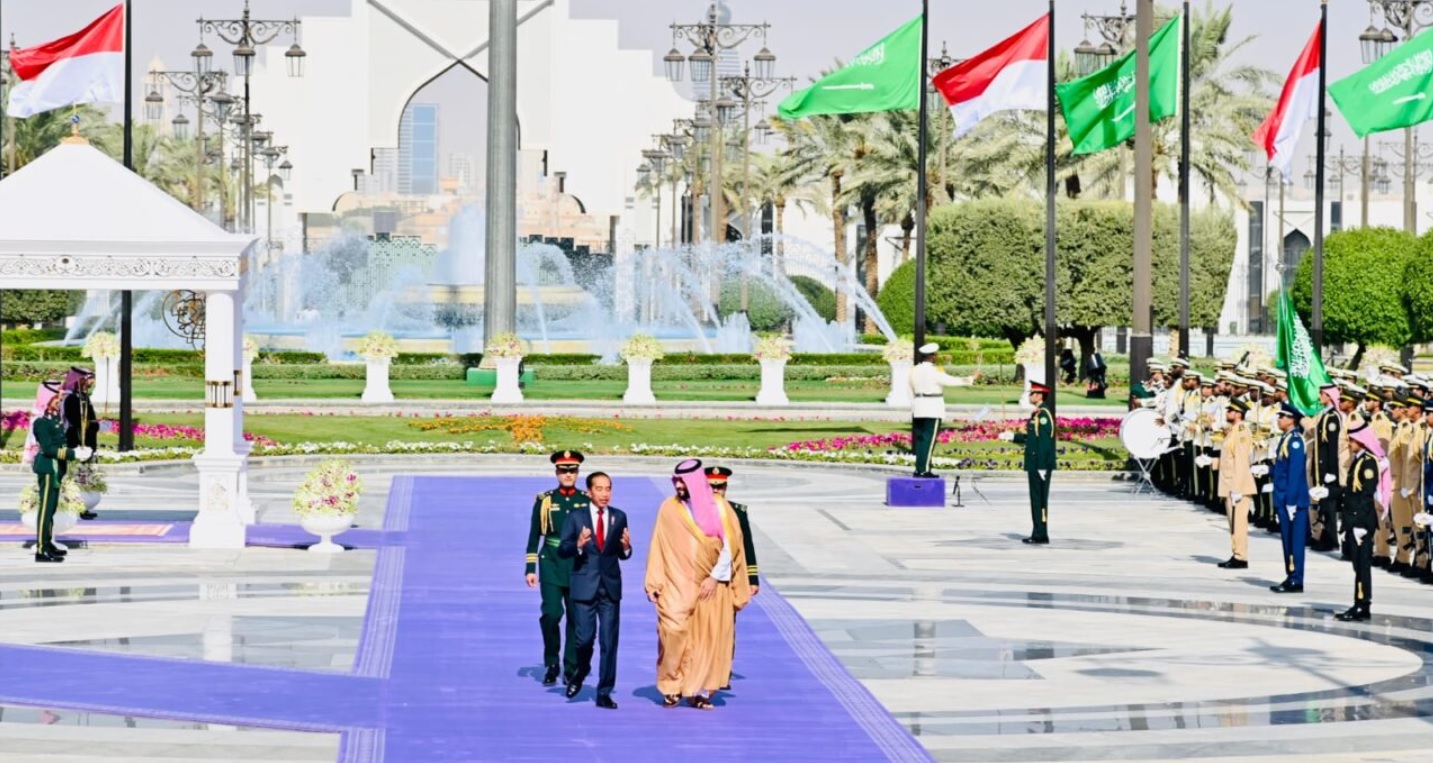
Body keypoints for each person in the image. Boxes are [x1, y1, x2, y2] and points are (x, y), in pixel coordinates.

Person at [645, 459, 751, 710]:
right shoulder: (668, 508)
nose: (677, 485)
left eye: (682, 481)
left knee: (708, 638)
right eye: (676, 480)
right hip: (676, 584)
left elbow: (731, 547)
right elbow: (659, 545)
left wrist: (714, 577)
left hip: (712, 585)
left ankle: (699, 691)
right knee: (672, 631)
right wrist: (655, 581)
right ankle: (671, 686)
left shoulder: (720, 507)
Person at [556, 472, 631, 710]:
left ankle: (604, 691)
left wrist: (627, 548)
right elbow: (563, 549)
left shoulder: (619, 517)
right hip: (584, 587)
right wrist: (578, 545)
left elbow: (621, 552)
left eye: (608, 488)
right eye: (599, 489)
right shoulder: (575, 517)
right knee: (584, 639)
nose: (604, 494)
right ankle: (581, 671)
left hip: (609, 588)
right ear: (589, 491)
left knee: (609, 642)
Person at [524, 450, 591, 686]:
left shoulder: (587, 500)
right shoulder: (545, 501)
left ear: (578, 473)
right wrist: (530, 567)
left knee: (575, 617)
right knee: (552, 614)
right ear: (556, 473)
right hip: (551, 562)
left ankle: (571, 666)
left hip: (577, 565)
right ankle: (552, 663)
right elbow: (534, 535)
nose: (568, 474)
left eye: (572, 470)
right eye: (563, 470)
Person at [705, 465, 758, 690]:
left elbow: (747, 545)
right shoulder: (697, 511)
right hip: (705, 575)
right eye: (712, 486)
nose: (717, 490)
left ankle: (724, 669)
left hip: (730, 577)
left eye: (721, 486)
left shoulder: (737, 511)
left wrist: (753, 579)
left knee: (727, 624)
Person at [1336, 421, 1389, 622]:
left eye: (1351, 440)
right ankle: (1360, 602)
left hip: (1362, 522)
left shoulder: (1367, 462)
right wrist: (1329, 493)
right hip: (1355, 520)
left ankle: (1362, 604)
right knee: (1357, 565)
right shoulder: (1358, 460)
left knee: (1362, 565)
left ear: (1361, 441)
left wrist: (1358, 524)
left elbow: (1366, 495)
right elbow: (1350, 491)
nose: (1349, 444)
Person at [30, 383, 87, 563]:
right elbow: (48, 449)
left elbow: (60, 444)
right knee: (46, 510)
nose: (59, 402)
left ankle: (48, 543)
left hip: (56, 469)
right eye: (56, 399)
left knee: (52, 508)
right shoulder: (41, 422)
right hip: (48, 468)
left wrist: (76, 450)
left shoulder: (54, 419)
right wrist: (72, 453)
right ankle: (41, 549)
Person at [908, 342, 973, 478]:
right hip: (932, 407)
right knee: (929, 440)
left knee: (920, 440)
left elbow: (910, 389)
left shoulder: (914, 369)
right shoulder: (934, 370)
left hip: (918, 406)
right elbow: (950, 381)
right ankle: (924, 470)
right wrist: (970, 378)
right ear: (933, 356)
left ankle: (919, 468)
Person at [1001, 382, 1055, 545]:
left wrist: (1042, 466)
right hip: (1034, 463)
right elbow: (1031, 439)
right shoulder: (1036, 414)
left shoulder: (1044, 415)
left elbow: (1045, 443)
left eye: (1032, 393)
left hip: (1040, 464)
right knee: (1035, 499)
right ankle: (1037, 532)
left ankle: (1041, 534)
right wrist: (1011, 436)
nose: (1030, 396)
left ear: (1040, 395)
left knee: (1040, 500)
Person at [1270, 403, 1310, 593]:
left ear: (1291, 419)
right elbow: (1282, 469)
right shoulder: (1285, 439)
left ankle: (1296, 578)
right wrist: (1267, 471)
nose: (1279, 420)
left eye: (1282, 416)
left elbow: (1295, 473)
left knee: (1295, 541)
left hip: (1292, 500)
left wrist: (1291, 502)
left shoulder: (1295, 441)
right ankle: (1290, 575)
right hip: (1283, 498)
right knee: (1287, 540)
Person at [1217, 398, 1255, 570]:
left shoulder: (1241, 432)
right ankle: (1236, 554)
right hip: (1230, 483)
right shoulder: (1233, 431)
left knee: (1238, 524)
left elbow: (1241, 461)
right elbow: (1229, 459)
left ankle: (1241, 557)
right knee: (1233, 523)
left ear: (1238, 414)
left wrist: (1237, 488)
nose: (1227, 413)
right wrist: (1212, 462)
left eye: (1230, 411)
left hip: (1237, 485)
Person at [60, 366, 99, 520]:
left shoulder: (83, 397)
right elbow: (75, 421)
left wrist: (95, 424)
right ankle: (72, 505)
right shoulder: (71, 399)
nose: (91, 382)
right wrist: (93, 424)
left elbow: (89, 418)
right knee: (74, 475)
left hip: (87, 440)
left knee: (84, 475)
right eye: (89, 379)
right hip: (76, 440)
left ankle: (83, 506)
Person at [1308, 384, 1343, 552]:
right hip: (1321, 467)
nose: (1319, 396)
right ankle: (1324, 536)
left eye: (1322, 393)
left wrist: (1331, 472)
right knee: (1323, 504)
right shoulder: (1325, 415)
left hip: (1329, 469)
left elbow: (1332, 446)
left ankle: (1331, 539)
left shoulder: (1332, 418)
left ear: (1329, 396)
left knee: (1329, 506)